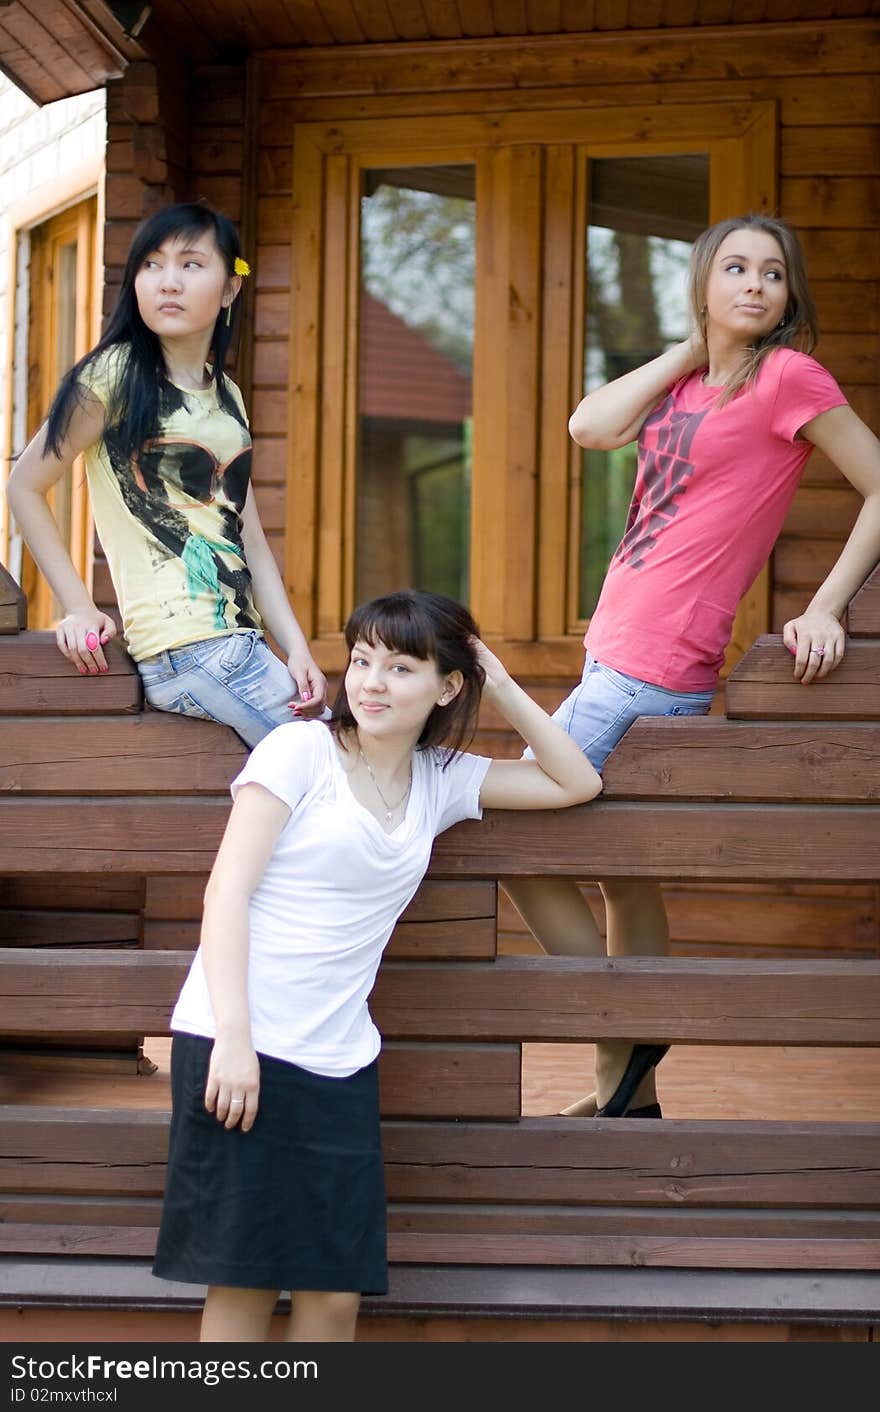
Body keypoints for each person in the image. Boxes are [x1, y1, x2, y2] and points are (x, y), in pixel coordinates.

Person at [503, 213, 880, 1121]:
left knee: (501, 833)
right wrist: (688, 351)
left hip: (657, 665)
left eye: (775, 274)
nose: (756, 285)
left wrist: (826, 604)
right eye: (736, 269)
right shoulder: (682, 389)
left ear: (790, 297)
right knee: (626, 870)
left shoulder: (790, 377)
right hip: (614, 655)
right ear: (705, 284)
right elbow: (587, 426)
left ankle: (623, 1024)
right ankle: (625, 1095)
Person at [151, 588, 602, 1342]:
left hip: (339, 1061)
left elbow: (575, 782)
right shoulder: (298, 751)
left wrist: (496, 674)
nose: (369, 683)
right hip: (241, 1044)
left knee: (334, 1295)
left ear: (446, 687)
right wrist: (234, 1037)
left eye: (399, 668)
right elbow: (226, 892)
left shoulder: (443, 779)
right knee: (245, 1285)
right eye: (361, 661)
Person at [6, 201, 326, 747]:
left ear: (230, 288)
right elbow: (24, 486)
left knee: (345, 773)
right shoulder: (116, 374)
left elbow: (245, 534)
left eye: (191, 264)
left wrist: (294, 645)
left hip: (238, 643)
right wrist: (79, 607)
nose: (167, 282)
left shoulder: (227, 396)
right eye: (151, 265)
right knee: (343, 766)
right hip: (186, 647)